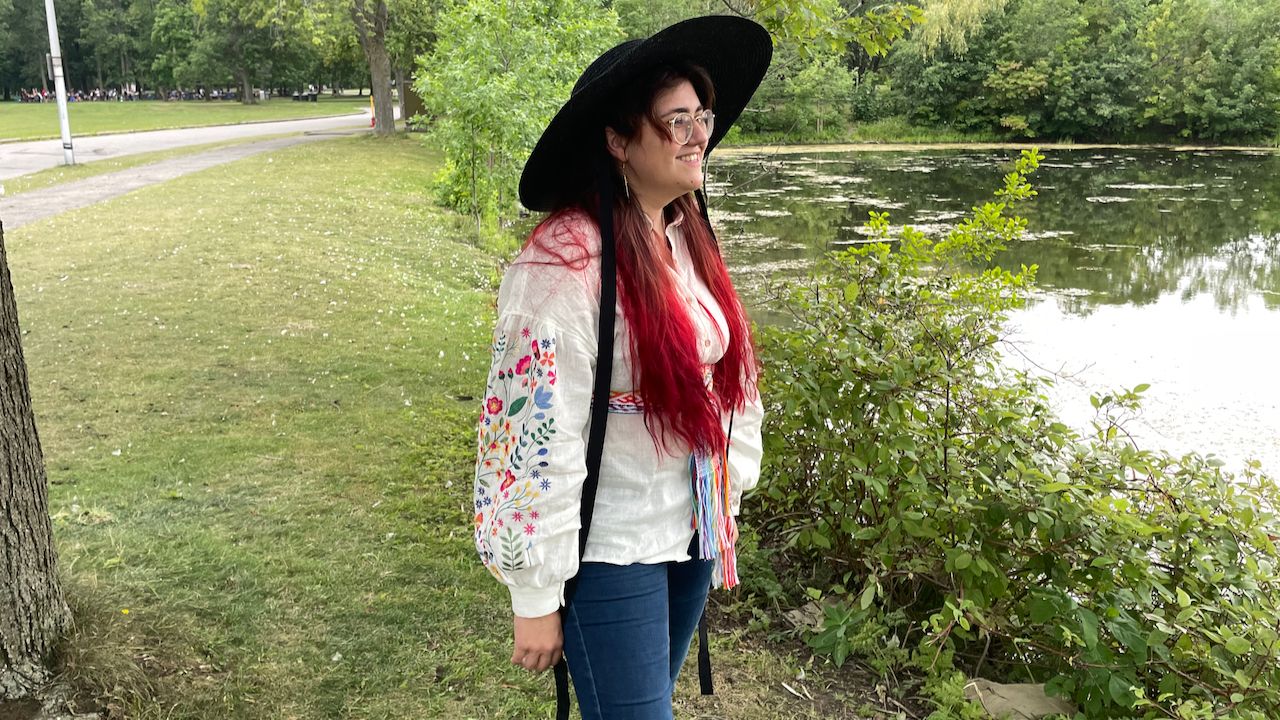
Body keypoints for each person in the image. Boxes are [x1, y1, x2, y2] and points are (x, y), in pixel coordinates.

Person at [471, 15, 772, 720]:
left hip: (690, 529)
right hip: (608, 546)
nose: (699, 134)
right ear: (617, 141)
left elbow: (736, 378)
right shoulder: (563, 265)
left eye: (704, 115)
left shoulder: (687, 234)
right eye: (676, 120)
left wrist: (727, 494)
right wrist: (535, 595)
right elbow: (528, 438)